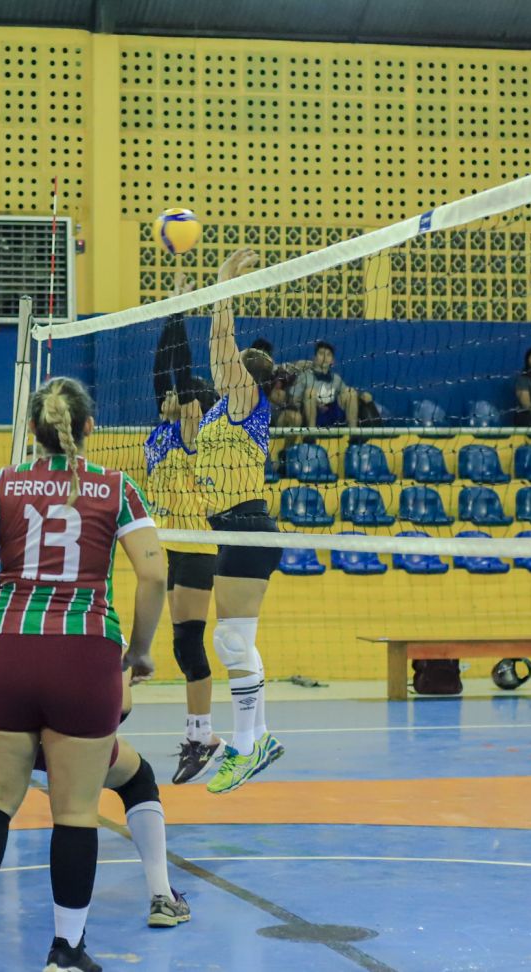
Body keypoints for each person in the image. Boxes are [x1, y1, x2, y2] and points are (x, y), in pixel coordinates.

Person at [0, 376, 165, 972]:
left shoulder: (2, 482)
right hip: (84, 653)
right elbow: (155, 575)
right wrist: (138, 651)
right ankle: (65, 952)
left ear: (33, 431)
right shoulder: (116, 487)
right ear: (87, 428)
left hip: (8, 651)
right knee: (76, 811)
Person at [0, 659, 188, 930]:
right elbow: (122, 706)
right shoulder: (100, 621)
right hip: (74, 740)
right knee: (137, 780)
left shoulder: (10, 617)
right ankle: (161, 896)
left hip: (7, 740)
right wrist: (91, 740)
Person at [194, 248, 286, 794]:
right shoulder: (220, 409)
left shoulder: (245, 399)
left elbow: (220, 346)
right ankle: (261, 739)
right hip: (229, 528)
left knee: (230, 643)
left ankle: (248, 748)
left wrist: (222, 288)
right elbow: (214, 354)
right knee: (233, 641)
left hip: (248, 526)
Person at [145, 373, 225, 784]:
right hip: (172, 545)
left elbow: (187, 392)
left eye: (176, 393)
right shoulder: (158, 434)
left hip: (198, 547)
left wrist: (177, 319)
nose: (167, 396)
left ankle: (202, 737)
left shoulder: (194, 432)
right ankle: (200, 734)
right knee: (181, 645)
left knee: (190, 643)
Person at [290, 340, 369, 429]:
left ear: (332, 361)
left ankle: (353, 433)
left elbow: (346, 396)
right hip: (313, 415)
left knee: (351, 392)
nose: (325, 358)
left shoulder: (336, 379)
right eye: (321, 354)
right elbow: (294, 399)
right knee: (310, 392)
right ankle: (310, 434)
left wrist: (362, 396)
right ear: (314, 358)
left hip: (332, 414)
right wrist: (313, 402)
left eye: (328, 355)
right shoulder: (304, 376)